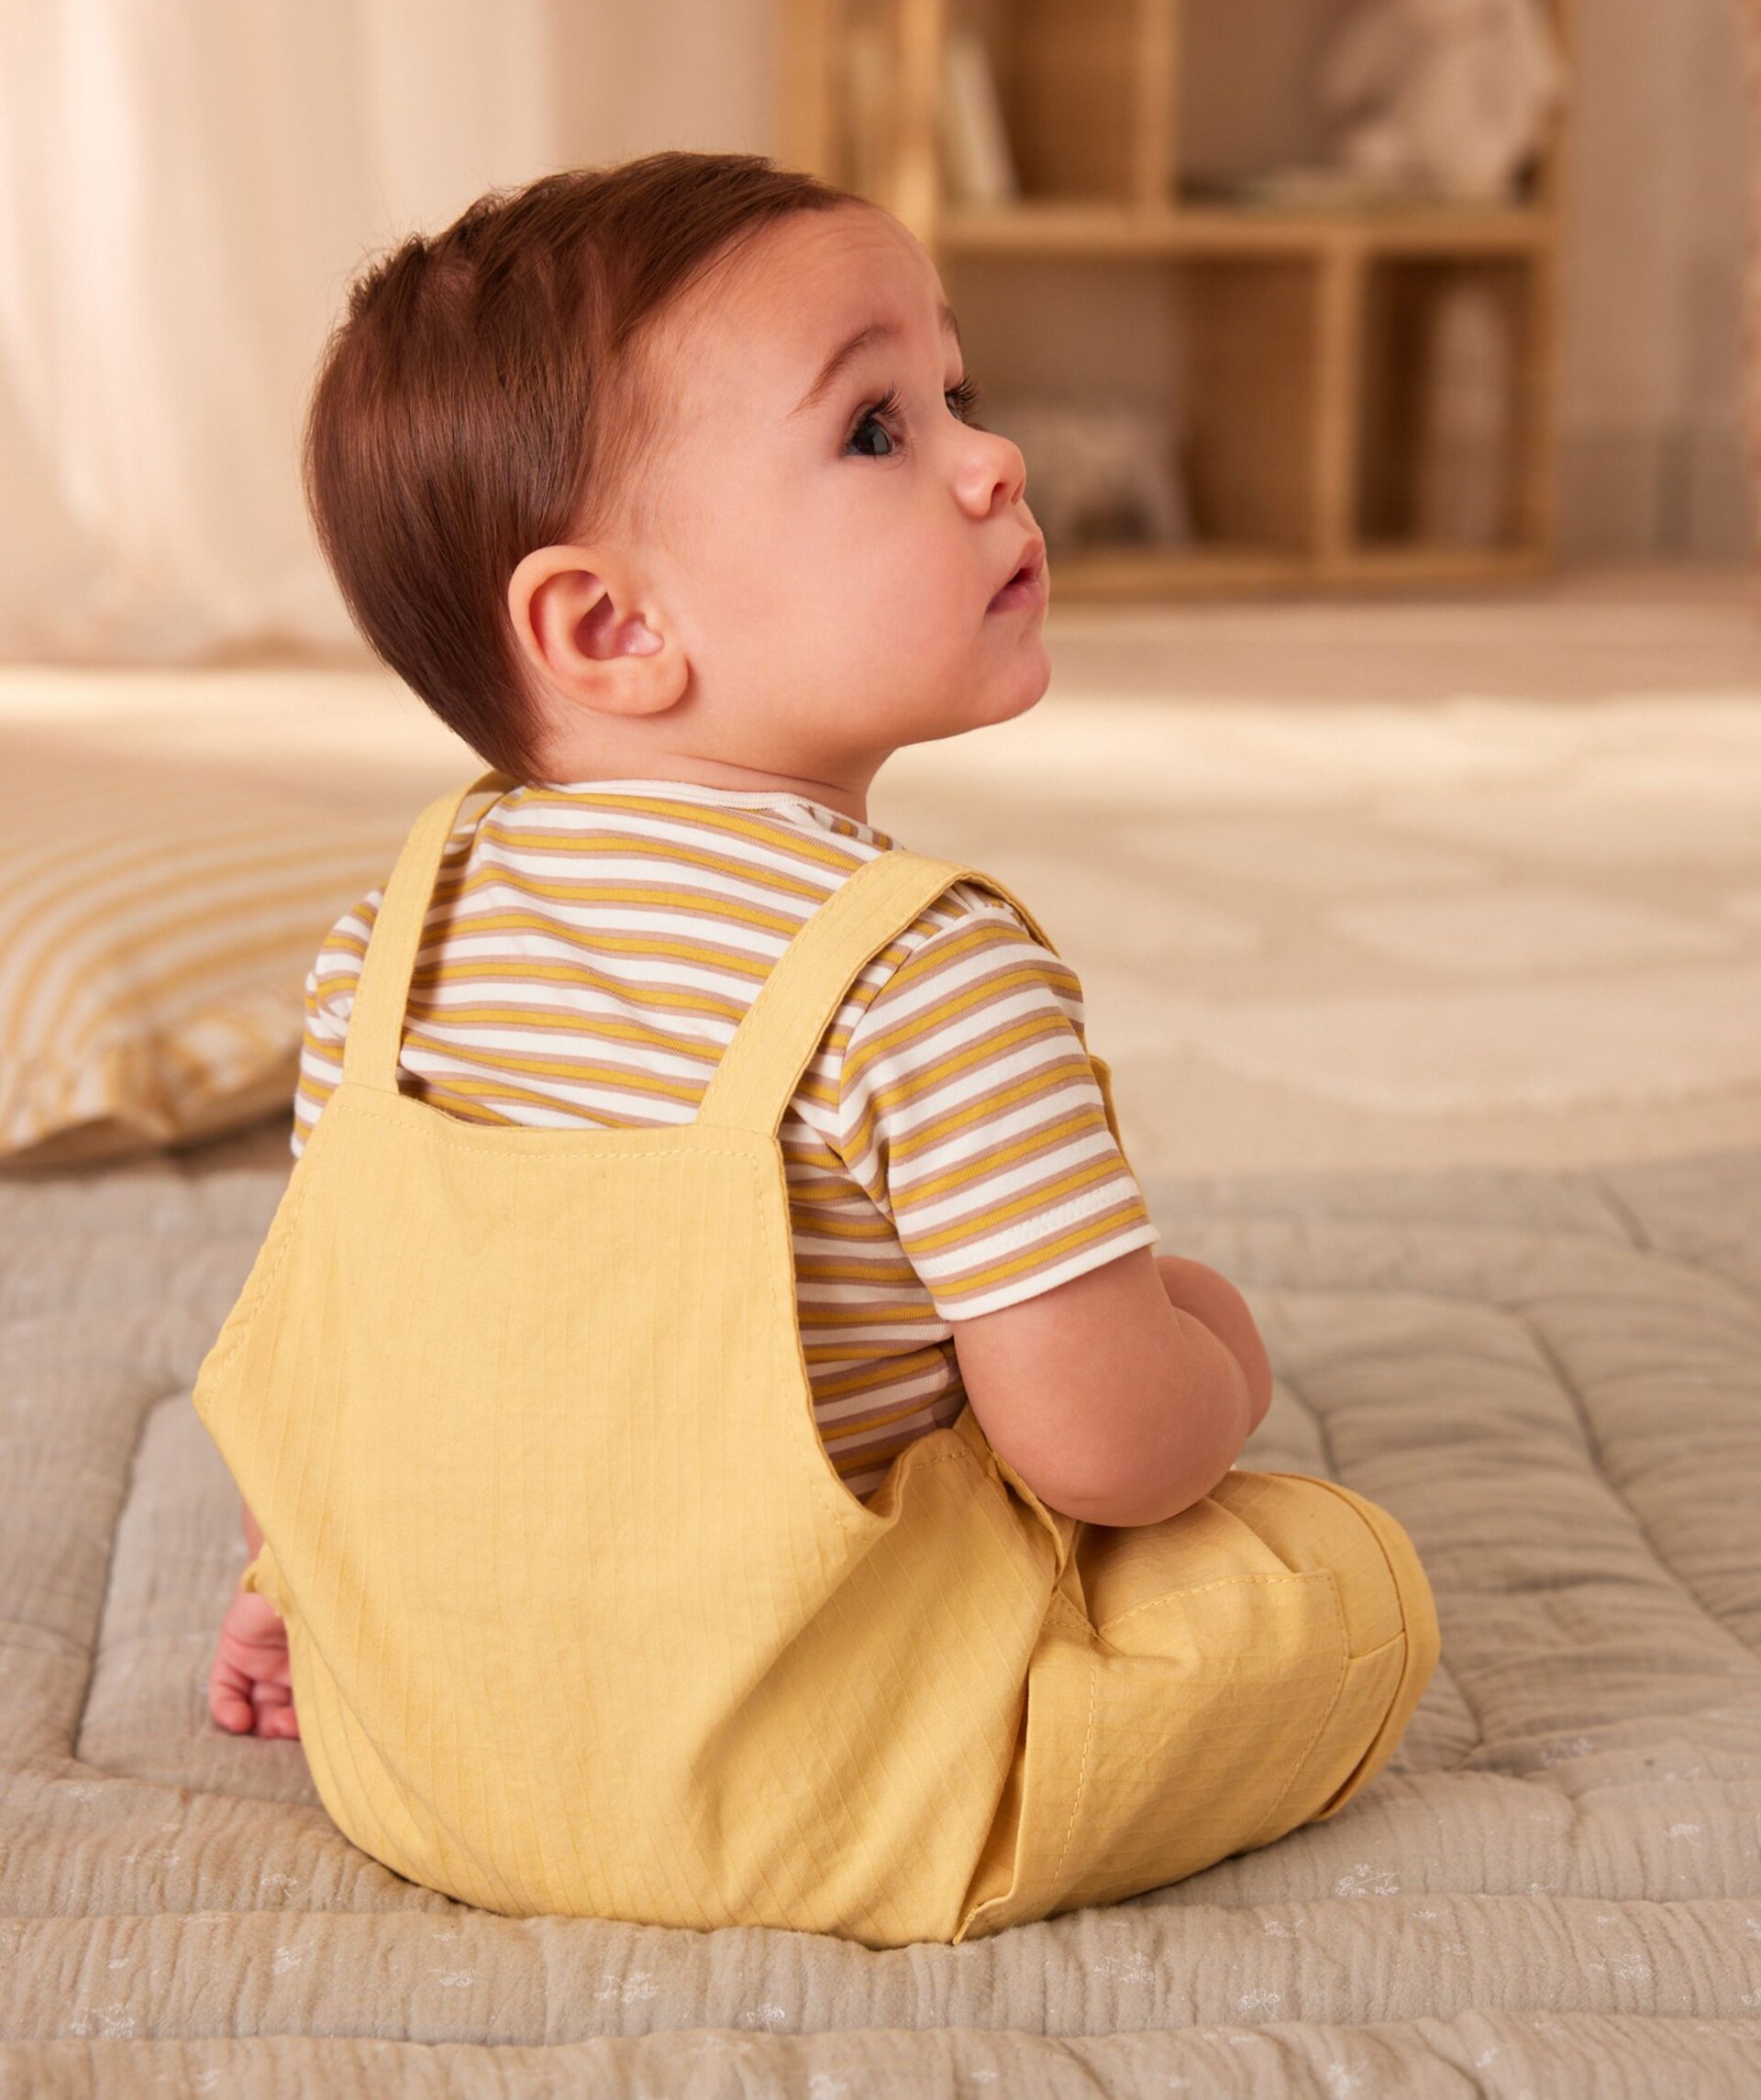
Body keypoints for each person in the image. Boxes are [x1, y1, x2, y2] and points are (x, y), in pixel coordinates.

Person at [195, 153, 1435, 1946]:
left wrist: (297, 1580)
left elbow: (356, 1349)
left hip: (426, 1770)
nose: (989, 461)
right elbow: (1102, 1452)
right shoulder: (921, 970)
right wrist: (1215, 1352)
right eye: (875, 428)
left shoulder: (390, 944)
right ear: (612, 627)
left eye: (960, 394)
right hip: (831, 1791)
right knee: (1329, 1587)